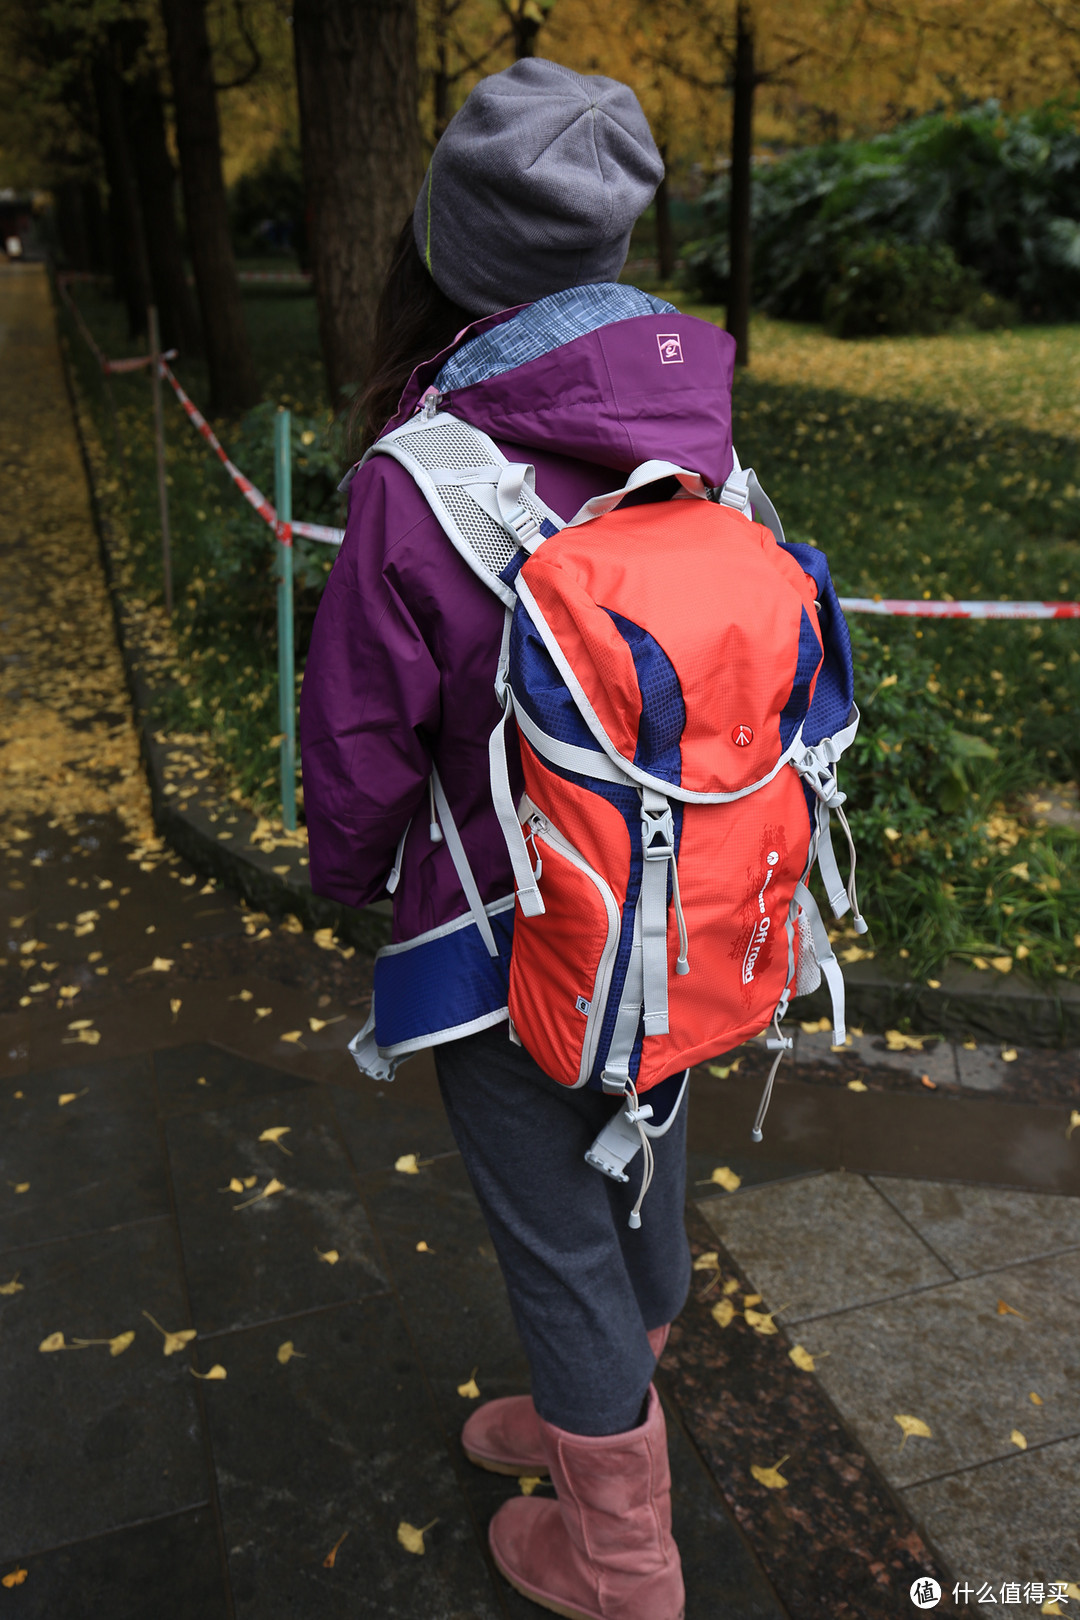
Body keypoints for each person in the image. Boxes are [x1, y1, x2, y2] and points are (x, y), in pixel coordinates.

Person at [301, 58, 736, 1620]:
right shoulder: (708, 437)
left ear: (449, 249)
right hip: (684, 906)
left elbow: (358, 741)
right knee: (642, 1183)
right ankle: (593, 1413)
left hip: (501, 933)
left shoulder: (423, 481)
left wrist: (347, 881)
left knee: (553, 1240)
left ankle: (621, 1556)